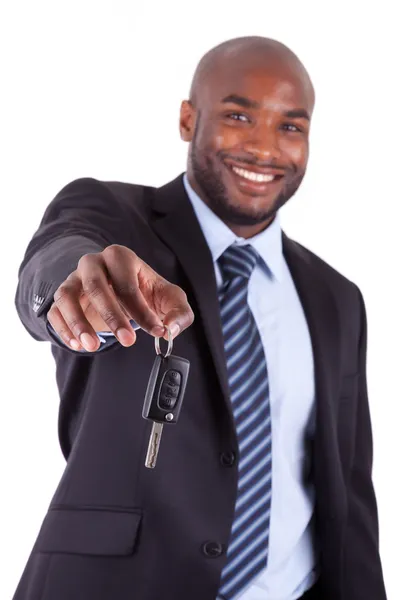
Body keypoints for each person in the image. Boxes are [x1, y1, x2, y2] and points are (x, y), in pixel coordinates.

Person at [13, 36, 386, 600]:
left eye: (291, 126)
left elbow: (348, 492)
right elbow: (58, 254)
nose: (264, 148)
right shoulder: (115, 217)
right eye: (239, 115)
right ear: (189, 119)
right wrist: (73, 285)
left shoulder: (338, 298)